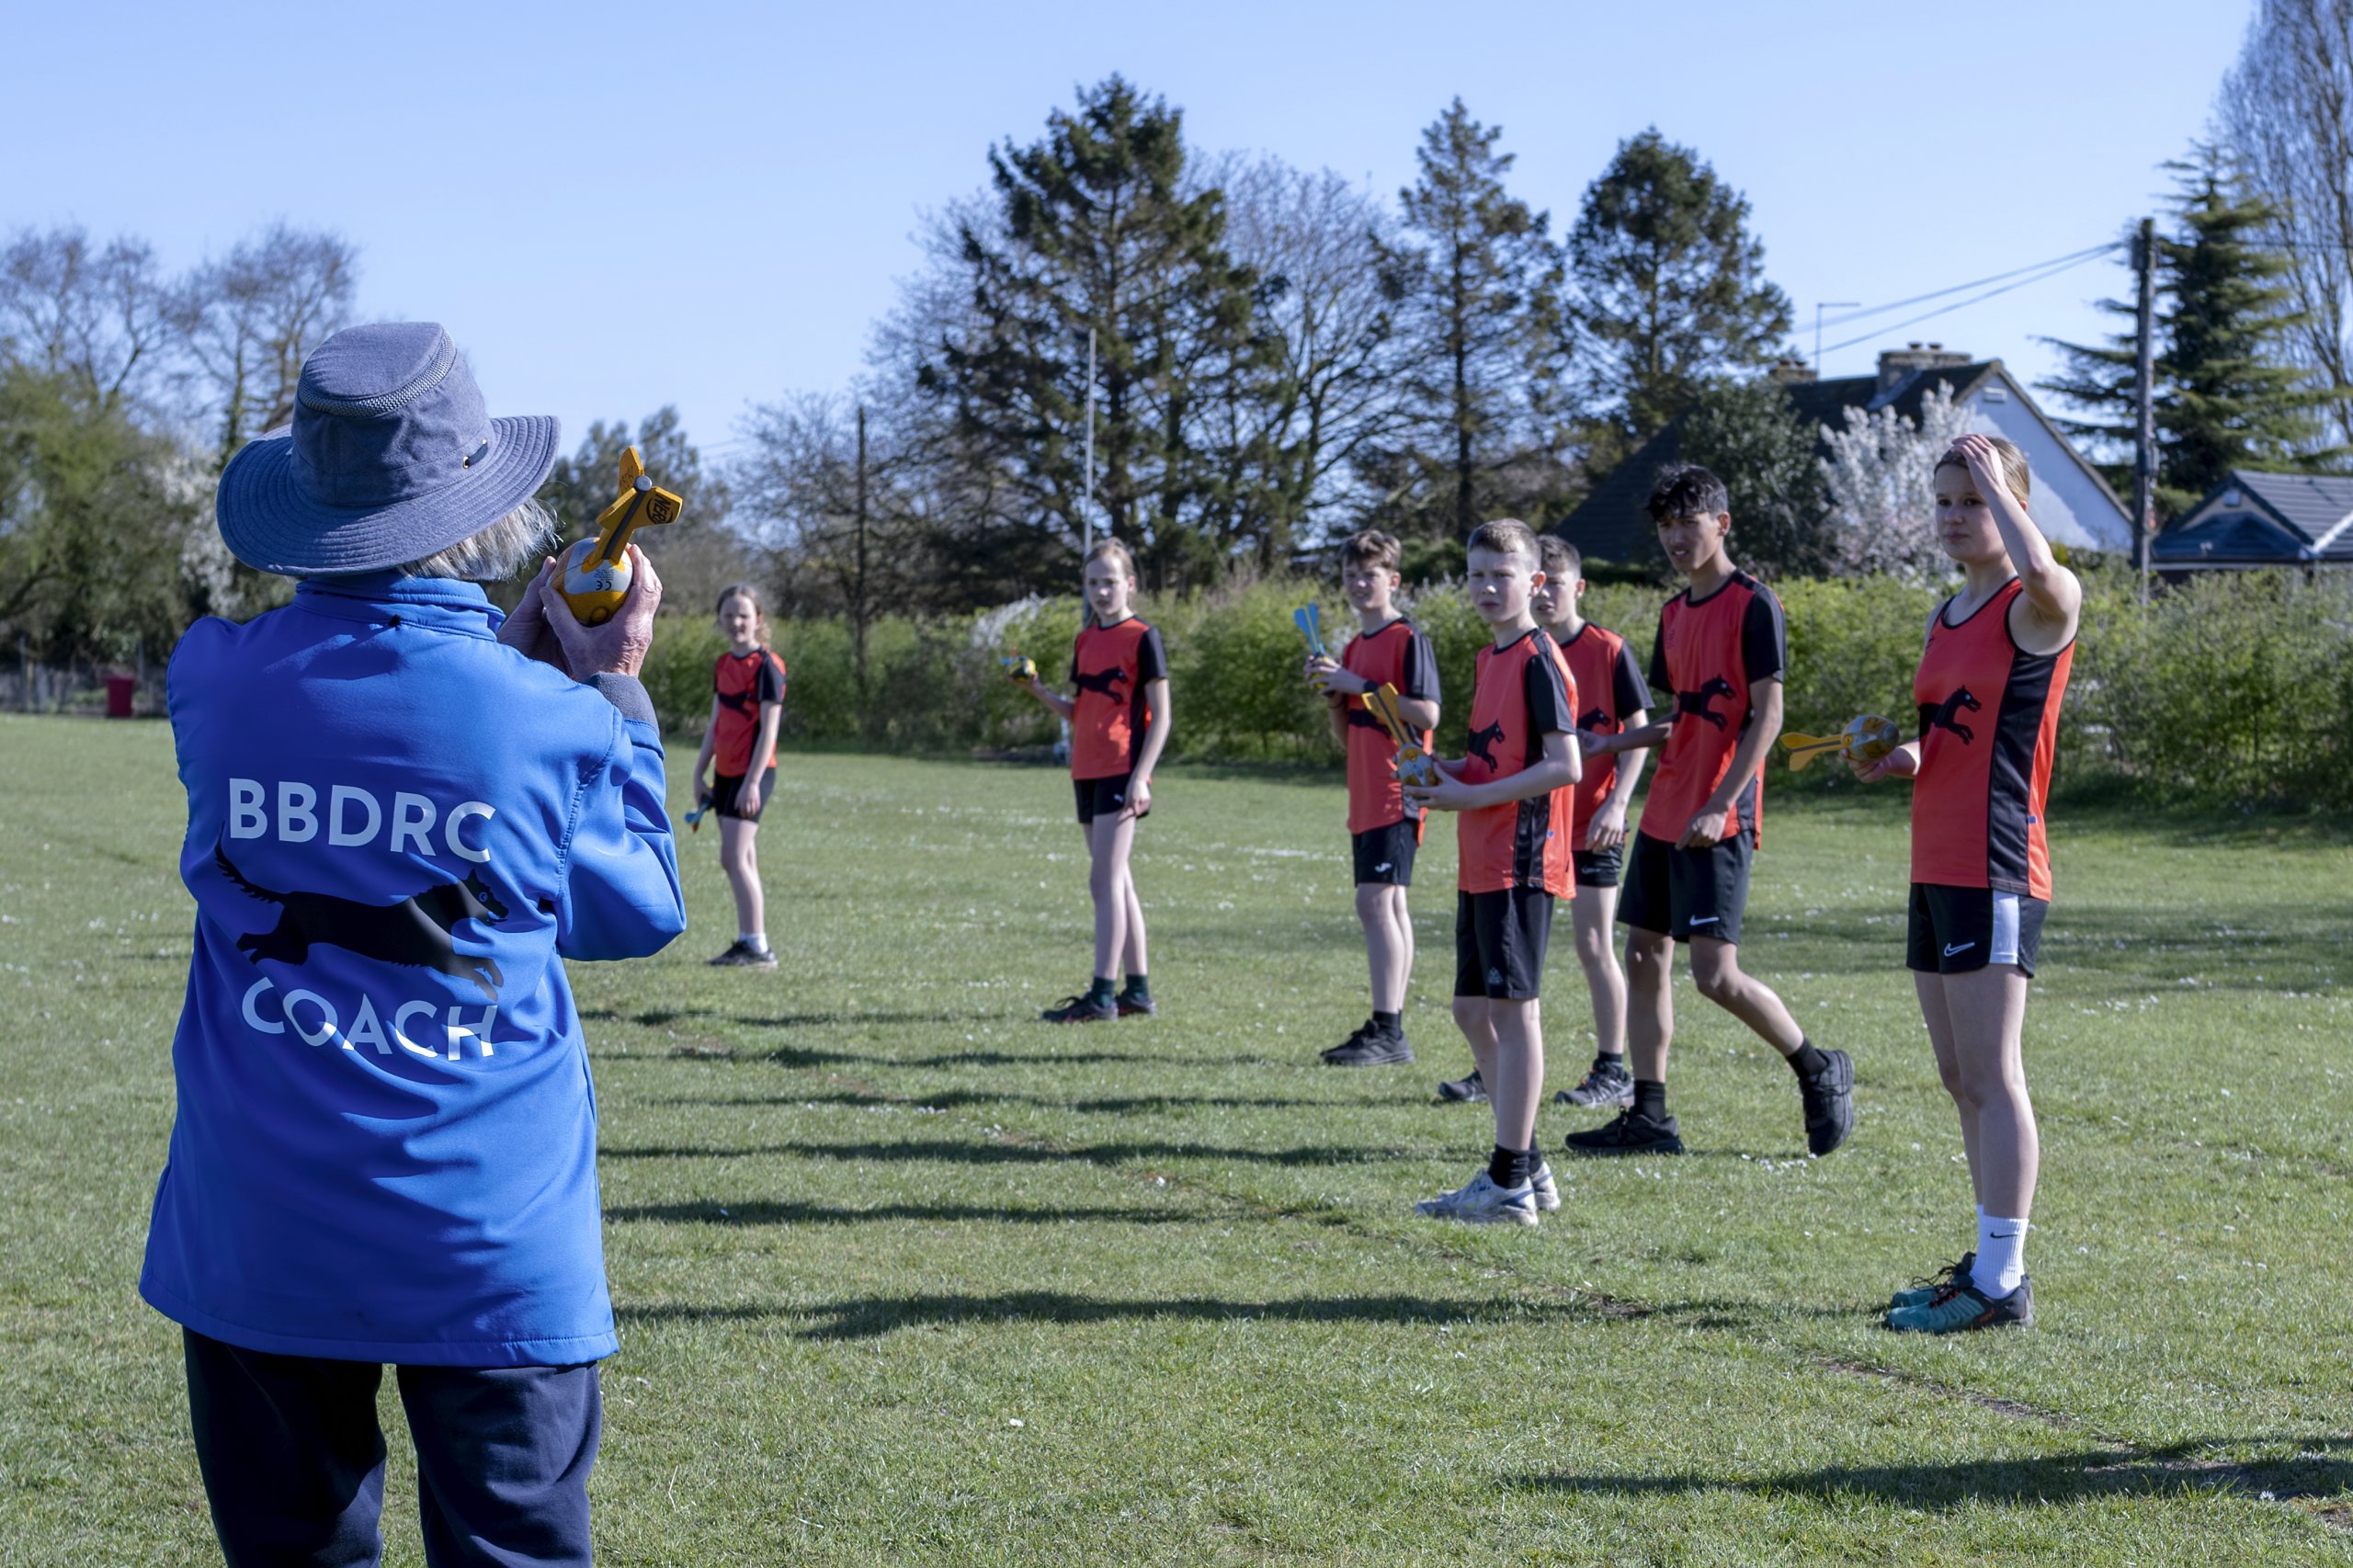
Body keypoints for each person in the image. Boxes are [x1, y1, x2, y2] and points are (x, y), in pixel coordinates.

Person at [142, 321, 686, 1566]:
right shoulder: (551, 716)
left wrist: (506, 667)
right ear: (475, 502)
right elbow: (636, 906)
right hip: (489, 1243)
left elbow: (374, 705)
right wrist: (612, 683)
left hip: (260, 1229)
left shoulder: (212, 677)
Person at [1855, 434, 2077, 1333]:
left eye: (1974, 499)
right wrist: (1901, 753)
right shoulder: (1945, 613)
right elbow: (1955, 729)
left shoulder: (2041, 605)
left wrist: (2001, 484)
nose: (1954, 515)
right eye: (1944, 499)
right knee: (1958, 1075)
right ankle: (1987, 1265)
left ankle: (2001, 1282)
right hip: (1934, 862)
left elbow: (2048, 573)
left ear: (2013, 507)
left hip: (1996, 865)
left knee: (1993, 1073)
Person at [1567, 463, 1853, 1160]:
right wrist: (1611, 742)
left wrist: (1720, 802)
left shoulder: (1755, 604)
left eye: (1688, 524)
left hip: (1717, 815)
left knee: (1714, 976)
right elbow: (1684, 716)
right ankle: (1650, 1116)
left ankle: (1818, 1067)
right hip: (1667, 808)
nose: (1676, 538)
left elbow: (1768, 717)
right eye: (1666, 526)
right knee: (1643, 953)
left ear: (1721, 524)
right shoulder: (1672, 614)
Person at [1404, 518, 1581, 1225]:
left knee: (1514, 1012)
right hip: (1481, 858)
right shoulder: (1491, 657)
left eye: (1501, 575)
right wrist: (1440, 769)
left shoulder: (1540, 659)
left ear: (1533, 583)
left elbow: (1565, 765)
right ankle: (1527, 1165)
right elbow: (1493, 759)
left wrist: (1471, 797)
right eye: (1476, 574)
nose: (1486, 586)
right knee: (1472, 1011)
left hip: (1520, 860)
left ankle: (1507, 1182)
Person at [1019, 538, 1173, 1022]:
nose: (1102, 591)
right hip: (1085, 769)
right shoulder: (1085, 640)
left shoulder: (1143, 636)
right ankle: (1138, 992)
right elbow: (1081, 712)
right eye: (1092, 583)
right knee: (1117, 880)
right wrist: (1039, 692)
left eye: (1110, 582)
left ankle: (1103, 997)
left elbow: (1163, 716)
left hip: (1122, 770)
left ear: (1130, 584)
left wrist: (1142, 776)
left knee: (1103, 881)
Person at [1305, 529, 1441, 1068]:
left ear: (1394, 579)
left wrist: (1356, 683)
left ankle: (1389, 1030)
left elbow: (1427, 713)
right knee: (1389, 904)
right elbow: (1349, 736)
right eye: (1351, 576)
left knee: (1374, 903)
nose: (1360, 584)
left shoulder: (1408, 638)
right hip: (1364, 792)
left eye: (1370, 574)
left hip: (1397, 788)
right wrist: (1333, 697)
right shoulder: (1353, 647)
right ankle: (1389, 1026)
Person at [1536, 534, 1654, 1114]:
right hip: (1536, 825)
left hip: (1593, 825)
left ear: (1578, 587)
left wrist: (1617, 805)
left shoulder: (1608, 649)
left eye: (1555, 584)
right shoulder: (1523, 651)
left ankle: (1613, 1069)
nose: (1544, 595)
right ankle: (1496, 1060)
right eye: (1536, 583)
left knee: (1593, 944)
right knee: (1518, 947)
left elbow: (1640, 734)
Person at [694, 584, 787, 969]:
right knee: (742, 857)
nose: (736, 622)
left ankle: (757, 947)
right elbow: (716, 722)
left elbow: (769, 731)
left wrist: (751, 783)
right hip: (726, 773)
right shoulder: (723, 664)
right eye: (729, 615)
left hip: (754, 775)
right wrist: (699, 772)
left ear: (758, 620)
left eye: (744, 615)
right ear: (720, 619)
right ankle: (752, 941)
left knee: (732, 858)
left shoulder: (767, 665)